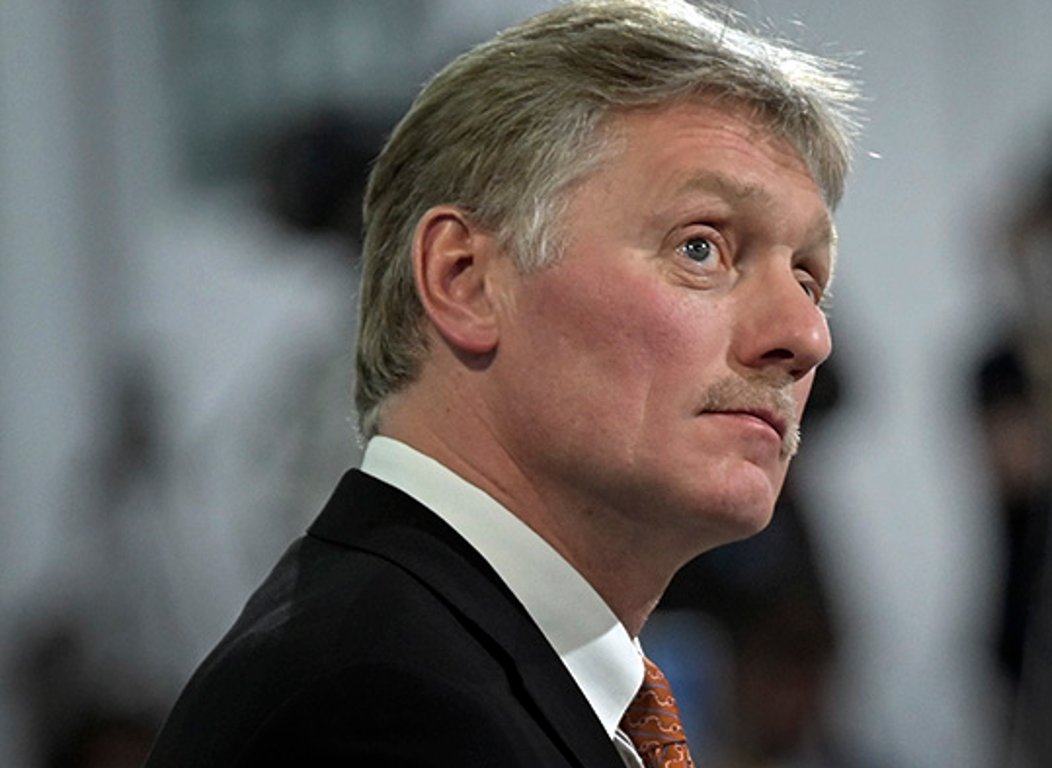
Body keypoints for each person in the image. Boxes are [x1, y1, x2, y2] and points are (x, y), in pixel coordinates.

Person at [144, 0, 860, 765]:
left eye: (808, 280)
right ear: (466, 280)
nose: (806, 336)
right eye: (700, 247)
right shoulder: (377, 712)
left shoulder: (456, 669)